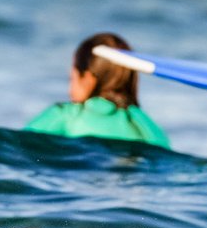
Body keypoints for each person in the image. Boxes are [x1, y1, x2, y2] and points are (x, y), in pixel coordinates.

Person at [25, 32, 170, 148]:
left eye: (72, 78)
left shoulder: (66, 116)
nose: (69, 89)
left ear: (88, 78)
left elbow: (19, 150)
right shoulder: (147, 127)